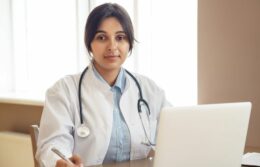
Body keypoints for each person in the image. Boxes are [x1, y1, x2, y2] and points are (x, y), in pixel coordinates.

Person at [36, 3, 170, 167]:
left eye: (120, 38)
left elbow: (175, 133)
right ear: (89, 44)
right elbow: (52, 145)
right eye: (101, 37)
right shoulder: (64, 91)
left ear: (129, 44)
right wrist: (62, 161)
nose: (112, 46)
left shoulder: (149, 90)